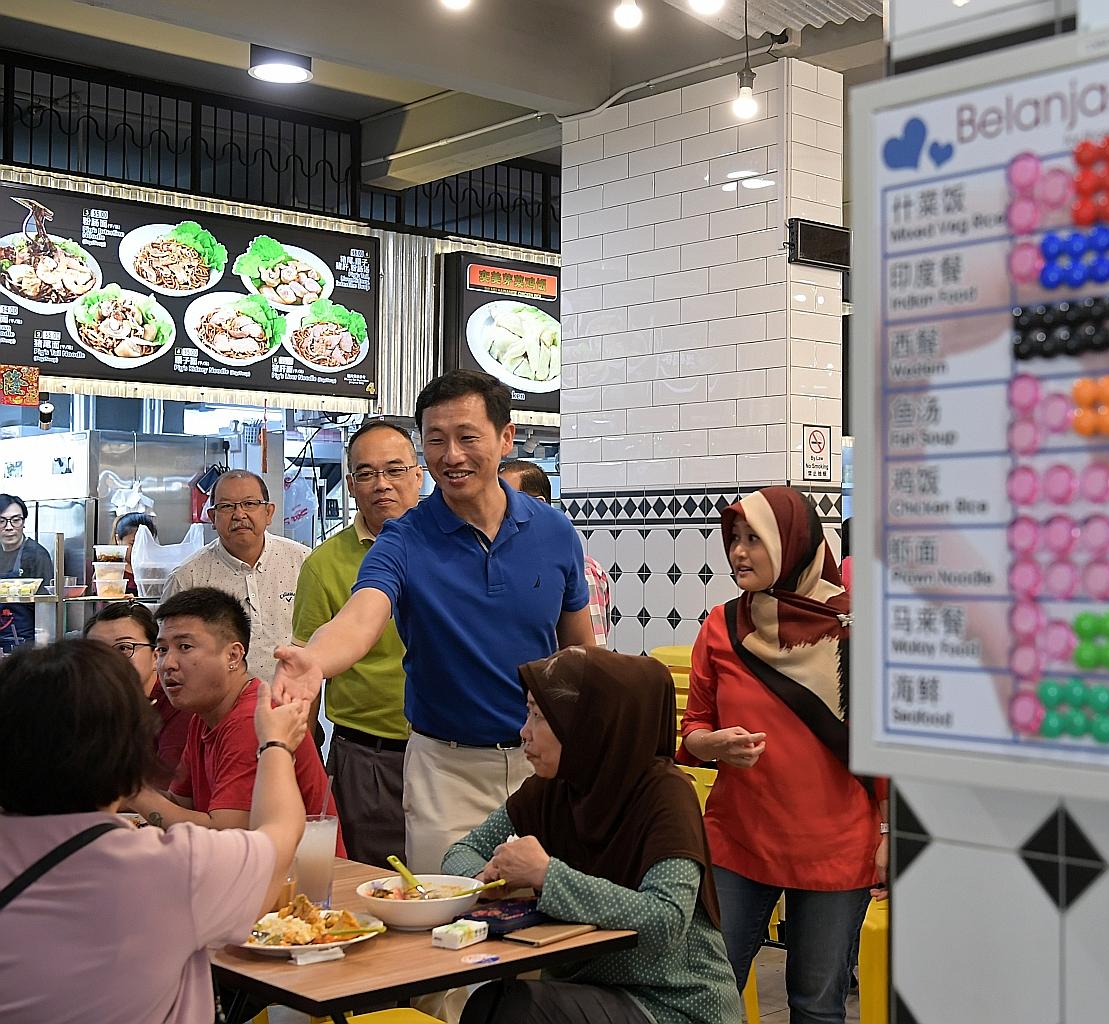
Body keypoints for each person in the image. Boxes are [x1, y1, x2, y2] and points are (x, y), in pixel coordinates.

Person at [273, 370, 594, 874]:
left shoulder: (553, 530)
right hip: (445, 768)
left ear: (505, 437)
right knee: (446, 922)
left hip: (542, 764)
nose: (451, 455)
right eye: (436, 441)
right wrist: (313, 660)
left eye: (468, 437)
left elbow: (579, 650)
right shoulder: (403, 538)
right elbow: (360, 619)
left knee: (542, 921)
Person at [0, 638, 309, 1024]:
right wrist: (276, 743)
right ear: (129, 749)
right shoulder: (168, 868)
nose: (169, 664)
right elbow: (280, 833)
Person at [679, 486, 885, 1024]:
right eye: (734, 539)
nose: (739, 553)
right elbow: (692, 729)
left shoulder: (854, 628)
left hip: (836, 845)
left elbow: (883, 747)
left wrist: (890, 834)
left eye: (754, 539)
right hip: (739, 840)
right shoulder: (721, 627)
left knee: (817, 1006)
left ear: (792, 543)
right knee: (707, 993)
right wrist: (707, 745)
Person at [449, 647, 740, 1024]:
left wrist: (546, 875)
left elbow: (666, 919)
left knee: (515, 1011)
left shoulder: (665, 794)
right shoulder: (551, 788)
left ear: (587, 726)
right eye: (528, 712)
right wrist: (481, 882)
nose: (524, 732)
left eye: (539, 716)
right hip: (585, 990)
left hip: (671, 1003)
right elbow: (465, 848)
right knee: (489, 1004)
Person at [292, 419, 423, 866]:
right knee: (373, 883)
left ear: (418, 475)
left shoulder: (454, 547)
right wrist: (299, 762)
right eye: (366, 473)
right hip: (366, 758)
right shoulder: (322, 565)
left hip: (453, 752)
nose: (381, 484)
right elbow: (306, 670)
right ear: (350, 484)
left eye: (395, 470)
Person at [123, 587, 342, 854]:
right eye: (162, 649)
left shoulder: (252, 719)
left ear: (233, 656)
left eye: (185, 647)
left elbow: (225, 834)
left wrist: (132, 790)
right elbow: (180, 805)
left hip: (301, 885)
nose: (168, 663)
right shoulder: (204, 716)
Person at [162, 470, 309, 685]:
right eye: (227, 506)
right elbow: (168, 653)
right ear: (212, 517)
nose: (239, 514)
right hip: (218, 711)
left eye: (250, 504)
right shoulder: (187, 578)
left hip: (294, 703)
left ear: (269, 512)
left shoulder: (303, 562)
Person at [500, 458, 612, 649]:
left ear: (538, 504)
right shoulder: (507, 566)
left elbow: (590, 655)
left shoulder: (583, 571)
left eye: (506, 499)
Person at [85, 601, 192, 776]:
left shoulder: (178, 706)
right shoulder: (89, 706)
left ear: (156, 656)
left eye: (124, 648)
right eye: (97, 651)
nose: (109, 660)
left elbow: (165, 786)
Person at [0, 493, 53, 651]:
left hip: (25, 640)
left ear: (23, 523)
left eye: (16, 520)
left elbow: (46, 603)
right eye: (1, 521)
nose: (9, 527)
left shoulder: (37, 555)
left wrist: (42, 641)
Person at [114, 511, 159, 594]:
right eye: (133, 543)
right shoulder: (109, 570)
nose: (139, 549)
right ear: (118, 540)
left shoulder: (156, 571)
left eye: (145, 544)